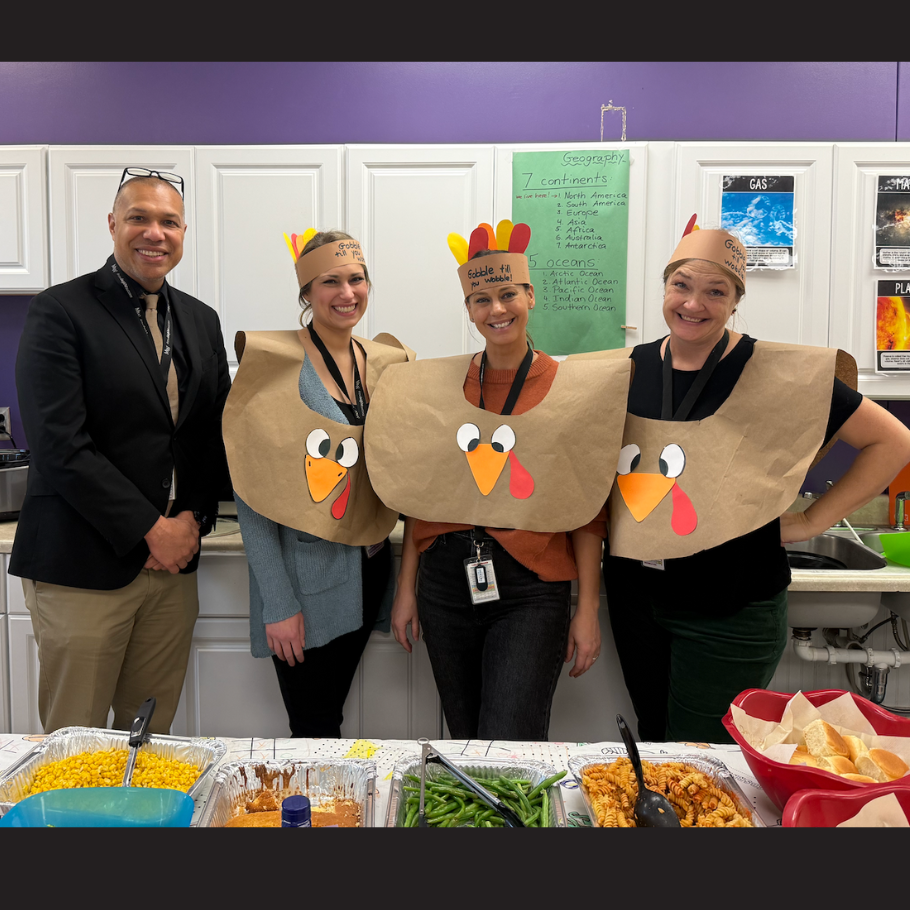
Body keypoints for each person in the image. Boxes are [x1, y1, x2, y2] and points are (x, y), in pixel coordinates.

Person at [603, 222, 910, 744]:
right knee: (656, 741)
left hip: (731, 605)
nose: (694, 304)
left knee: (705, 756)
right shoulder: (626, 369)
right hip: (637, 600)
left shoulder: (777, 373)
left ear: (736, 300)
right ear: (664, 289)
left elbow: (895, 442)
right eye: (681, 286)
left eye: (715, 291)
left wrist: (814, 519)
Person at [371, 220, 631, 741]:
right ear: (468, 309)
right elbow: (427, 490)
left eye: (508, 294)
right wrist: (407, 589)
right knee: (466, 740)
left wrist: (587, 609)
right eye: (480, 299)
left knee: (510, 743)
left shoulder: (568, 388)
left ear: (529, 295)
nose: (497, 310)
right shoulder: (443, 384)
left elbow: (584, 507)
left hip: (530, 590)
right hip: (445, 581)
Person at [10, 167, 231, 735]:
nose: (153, 233)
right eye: (138, 218)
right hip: (83, 565)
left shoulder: (201, 320)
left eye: (168, 221)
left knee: (147, 739)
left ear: (183, 232)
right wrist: (149, 529)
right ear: (113, 224)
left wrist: (190, 520)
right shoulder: (61, 311)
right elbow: (59, 445)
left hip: (173, 568)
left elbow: (210, 434)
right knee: (76, 743)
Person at [221, 229, 412, 738]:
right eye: (330, 281)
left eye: (357, 279)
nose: (347, 293)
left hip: (369, 570)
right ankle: (316, 818)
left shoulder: (384, 362)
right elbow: (251, 493)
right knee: (314, 724)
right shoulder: (276, 364)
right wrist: (278, 603)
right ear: (306, 293)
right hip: (306, 581)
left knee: (334, 715)